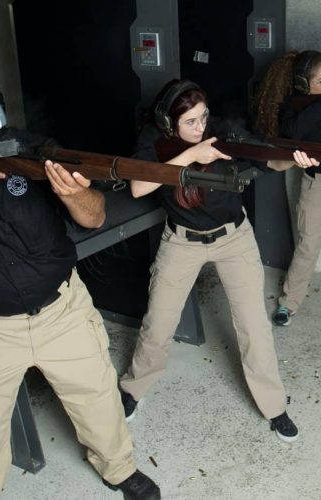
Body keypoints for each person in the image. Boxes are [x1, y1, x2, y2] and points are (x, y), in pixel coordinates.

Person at [0, 68, 161, 500]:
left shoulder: (31, 150)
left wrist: (75, 194)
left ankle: (120, 471)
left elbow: (95, 217)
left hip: (63, 311)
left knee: (98, 399)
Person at [118, 78, 311, 444]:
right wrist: (191, 155)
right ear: (167, 124)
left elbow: (267, 158)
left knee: (254, 326)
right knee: (158, 323)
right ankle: (132, 391)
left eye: (203, 117)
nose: (201, 127)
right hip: (181, 242)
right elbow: (139, 186)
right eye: (190, 122)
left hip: (233, 239)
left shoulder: (222, 131)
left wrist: (293, 158)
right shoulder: (151, 140)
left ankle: (274, 406)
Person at [255, 50, 321, 327]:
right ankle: (289, 302)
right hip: (316, 182)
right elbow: (295, 133)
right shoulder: (293, 110)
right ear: (305, 86)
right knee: (308, 244)